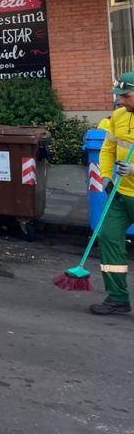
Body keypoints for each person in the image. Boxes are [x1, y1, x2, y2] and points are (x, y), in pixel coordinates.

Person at [90, 72, 134, 315]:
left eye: (125, 96)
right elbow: (107, 149)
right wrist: (106, 175)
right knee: (108, 238)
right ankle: (117, 298)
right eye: (118, 96)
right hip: (119, 193)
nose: (120, 101)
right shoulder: (118, 116)